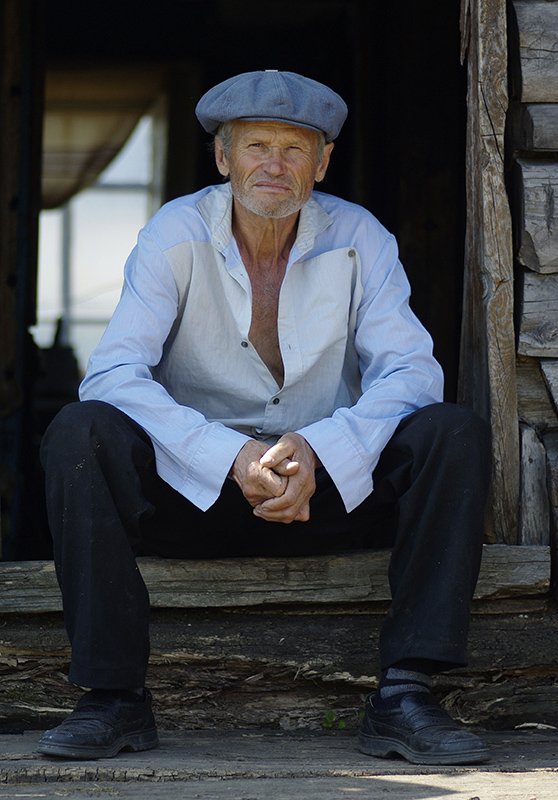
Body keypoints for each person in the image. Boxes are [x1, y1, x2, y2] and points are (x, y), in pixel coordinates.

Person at [37, 69, 491, 765]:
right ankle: (113, 697)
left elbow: (411, 372)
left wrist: (319, 448)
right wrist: (230, 456)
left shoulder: (360, 237)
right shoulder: (176, 234)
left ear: (322, 163)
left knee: (452, 432)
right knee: (81, 429)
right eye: (256, 146)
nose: (273, 165)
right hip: (197, 497)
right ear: (224, 158)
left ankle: (407, 695)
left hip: (326, 495)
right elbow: (114, 374)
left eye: (293, 148)